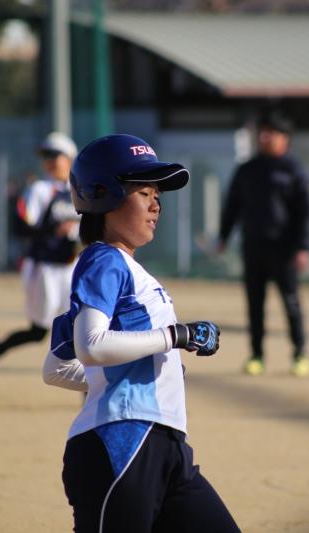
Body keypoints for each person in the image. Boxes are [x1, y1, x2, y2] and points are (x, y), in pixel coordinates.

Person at [43, 134, 240, 533]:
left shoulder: (125, 270)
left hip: (166, 447)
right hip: (123, 444)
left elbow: (55, 368)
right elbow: (91, 346)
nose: (156, 205)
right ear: (104, 196)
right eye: (144, 193)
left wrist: (138, 374)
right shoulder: (104, 259)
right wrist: (175, 336)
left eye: (157, 196)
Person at [0, 132, 80, 384]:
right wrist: (53, 230)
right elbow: (21, 228)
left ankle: (89, 393)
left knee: (81, 329)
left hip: (72, 268)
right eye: (46, 156)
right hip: (44, 268)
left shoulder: (80, 190)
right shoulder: (39, 190)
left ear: (70, 158)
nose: (49, 161)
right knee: (38, 332)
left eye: (55, 155)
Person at [217, 113, 309, 378]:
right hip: (253, 246)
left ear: (285, 138)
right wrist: (223, 237)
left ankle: (300, 354)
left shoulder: (295, 170)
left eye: (271, 132)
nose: (264, 137)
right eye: (262, 132)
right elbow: (232, 205)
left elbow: (306, 212)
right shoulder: (247, 169)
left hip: (284, 249)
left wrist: (303, 247)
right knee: (254, 304)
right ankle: (256, 355)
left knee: (291, 302)